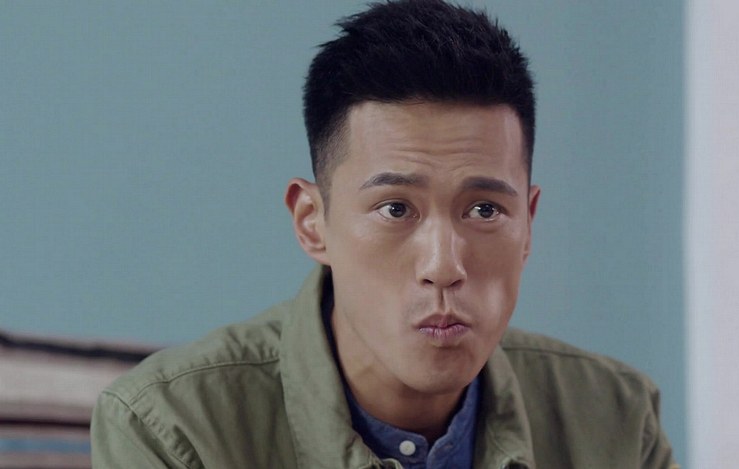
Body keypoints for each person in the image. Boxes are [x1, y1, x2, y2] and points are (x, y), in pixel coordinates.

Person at [91, 1, 678, 467]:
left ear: (527, 225)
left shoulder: (616, 420)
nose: (443, 265)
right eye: (396, 209)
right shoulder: (172, 428)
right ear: (312, 222)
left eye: (484, 210)